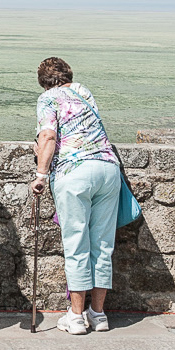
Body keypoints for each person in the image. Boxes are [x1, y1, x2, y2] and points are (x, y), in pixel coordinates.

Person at [30, 57, 121, 335]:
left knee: (76, 243)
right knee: (103, 245)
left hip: (75, 171)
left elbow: (48, 136)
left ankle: (77, 317)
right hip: (107, 169)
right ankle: (99, 314)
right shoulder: (83, 91)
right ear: (68, 75)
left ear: (44, 82)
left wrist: (41, 175)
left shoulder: (47, 98)